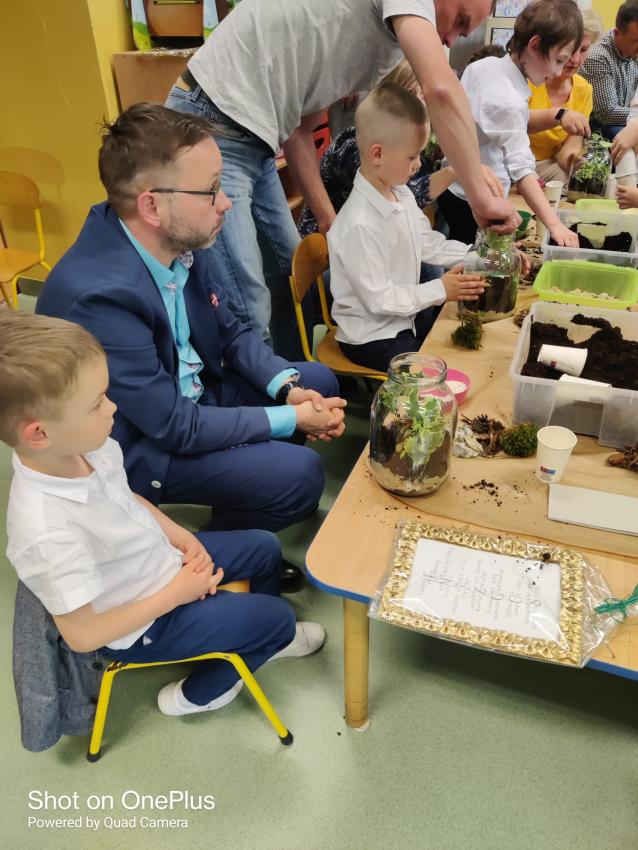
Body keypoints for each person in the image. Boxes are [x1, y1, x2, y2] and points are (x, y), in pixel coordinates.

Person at [36, 104, 346, 592]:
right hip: (145, 443)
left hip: (191, 396)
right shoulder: (99, 298)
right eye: (211, 190)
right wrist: (292, 418)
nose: (226, 203)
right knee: (302, 477)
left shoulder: (173, 236)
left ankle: (237, 505)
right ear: (152, 206)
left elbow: (232, 331)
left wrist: (287, 392)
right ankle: (203, 555)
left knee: (314, 381)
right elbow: (174, 425)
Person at [1, 312, 325, 718]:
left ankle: (252, 636)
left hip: (160, 563)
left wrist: (182, 538)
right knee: (278, 619)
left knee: (264, 548)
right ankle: (197, 694)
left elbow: (128, 498)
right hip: (142, 626)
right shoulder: (45, 530)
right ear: (39, 433)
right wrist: (177, 594)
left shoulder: (85, 447)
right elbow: (84, 636)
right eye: (96, 403)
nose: (113, 407)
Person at [165, 0, 520, 363]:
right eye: (459, 21)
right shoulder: (404, 13)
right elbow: (441, 89)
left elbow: (300, 130)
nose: (450, 40)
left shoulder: (380, 44)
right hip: (215, 120)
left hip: (259, 139)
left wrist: (329, 221)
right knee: (247, 303)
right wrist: (479, 194)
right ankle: (266, 393)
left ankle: (294, 377)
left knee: (287, 276)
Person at [326, 84, 486, 373]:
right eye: (412, 156)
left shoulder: (400, 193)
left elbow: (428, 244)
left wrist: (479, 257)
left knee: (457, 340)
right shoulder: (360, 224)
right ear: (378, 154)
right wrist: (440, 288)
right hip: (372, 337)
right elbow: (379, 299)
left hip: (402, 318)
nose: (418, 165)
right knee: (439, 370)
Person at [297, 60, 504, 240]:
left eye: (423, 95)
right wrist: (456, 171)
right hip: (328, 249)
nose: (422, 103)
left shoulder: (401, 139)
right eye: (414, 94)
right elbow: (401, 198)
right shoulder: (354, 148)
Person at [437, 0, 582, 247]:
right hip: (473, 199)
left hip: (453, 188)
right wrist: (555, 225)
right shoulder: (507, 100)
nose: (558, 72)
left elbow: (512, 123)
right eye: (559, 60)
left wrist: (558, 115)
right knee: (473, 259)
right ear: (534, 46)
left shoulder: (485, 66)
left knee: (459, 248)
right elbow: (523, 171)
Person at [528, 9, 603, 184]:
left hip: (547, 164)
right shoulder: (530, 78)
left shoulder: (583, 89)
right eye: (570, 50)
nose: (575, 60)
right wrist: (560, 115)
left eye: (583, 50)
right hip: (512, 157)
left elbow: (568, 150)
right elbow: (514, 121)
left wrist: (576, 163)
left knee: (570, 182)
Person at [581, 0, 638, 141]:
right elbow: (607, 113)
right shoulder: (598, 57)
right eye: (636, 40)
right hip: (599, 127)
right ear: (617, 32)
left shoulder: (631, 51)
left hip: (626, 119)